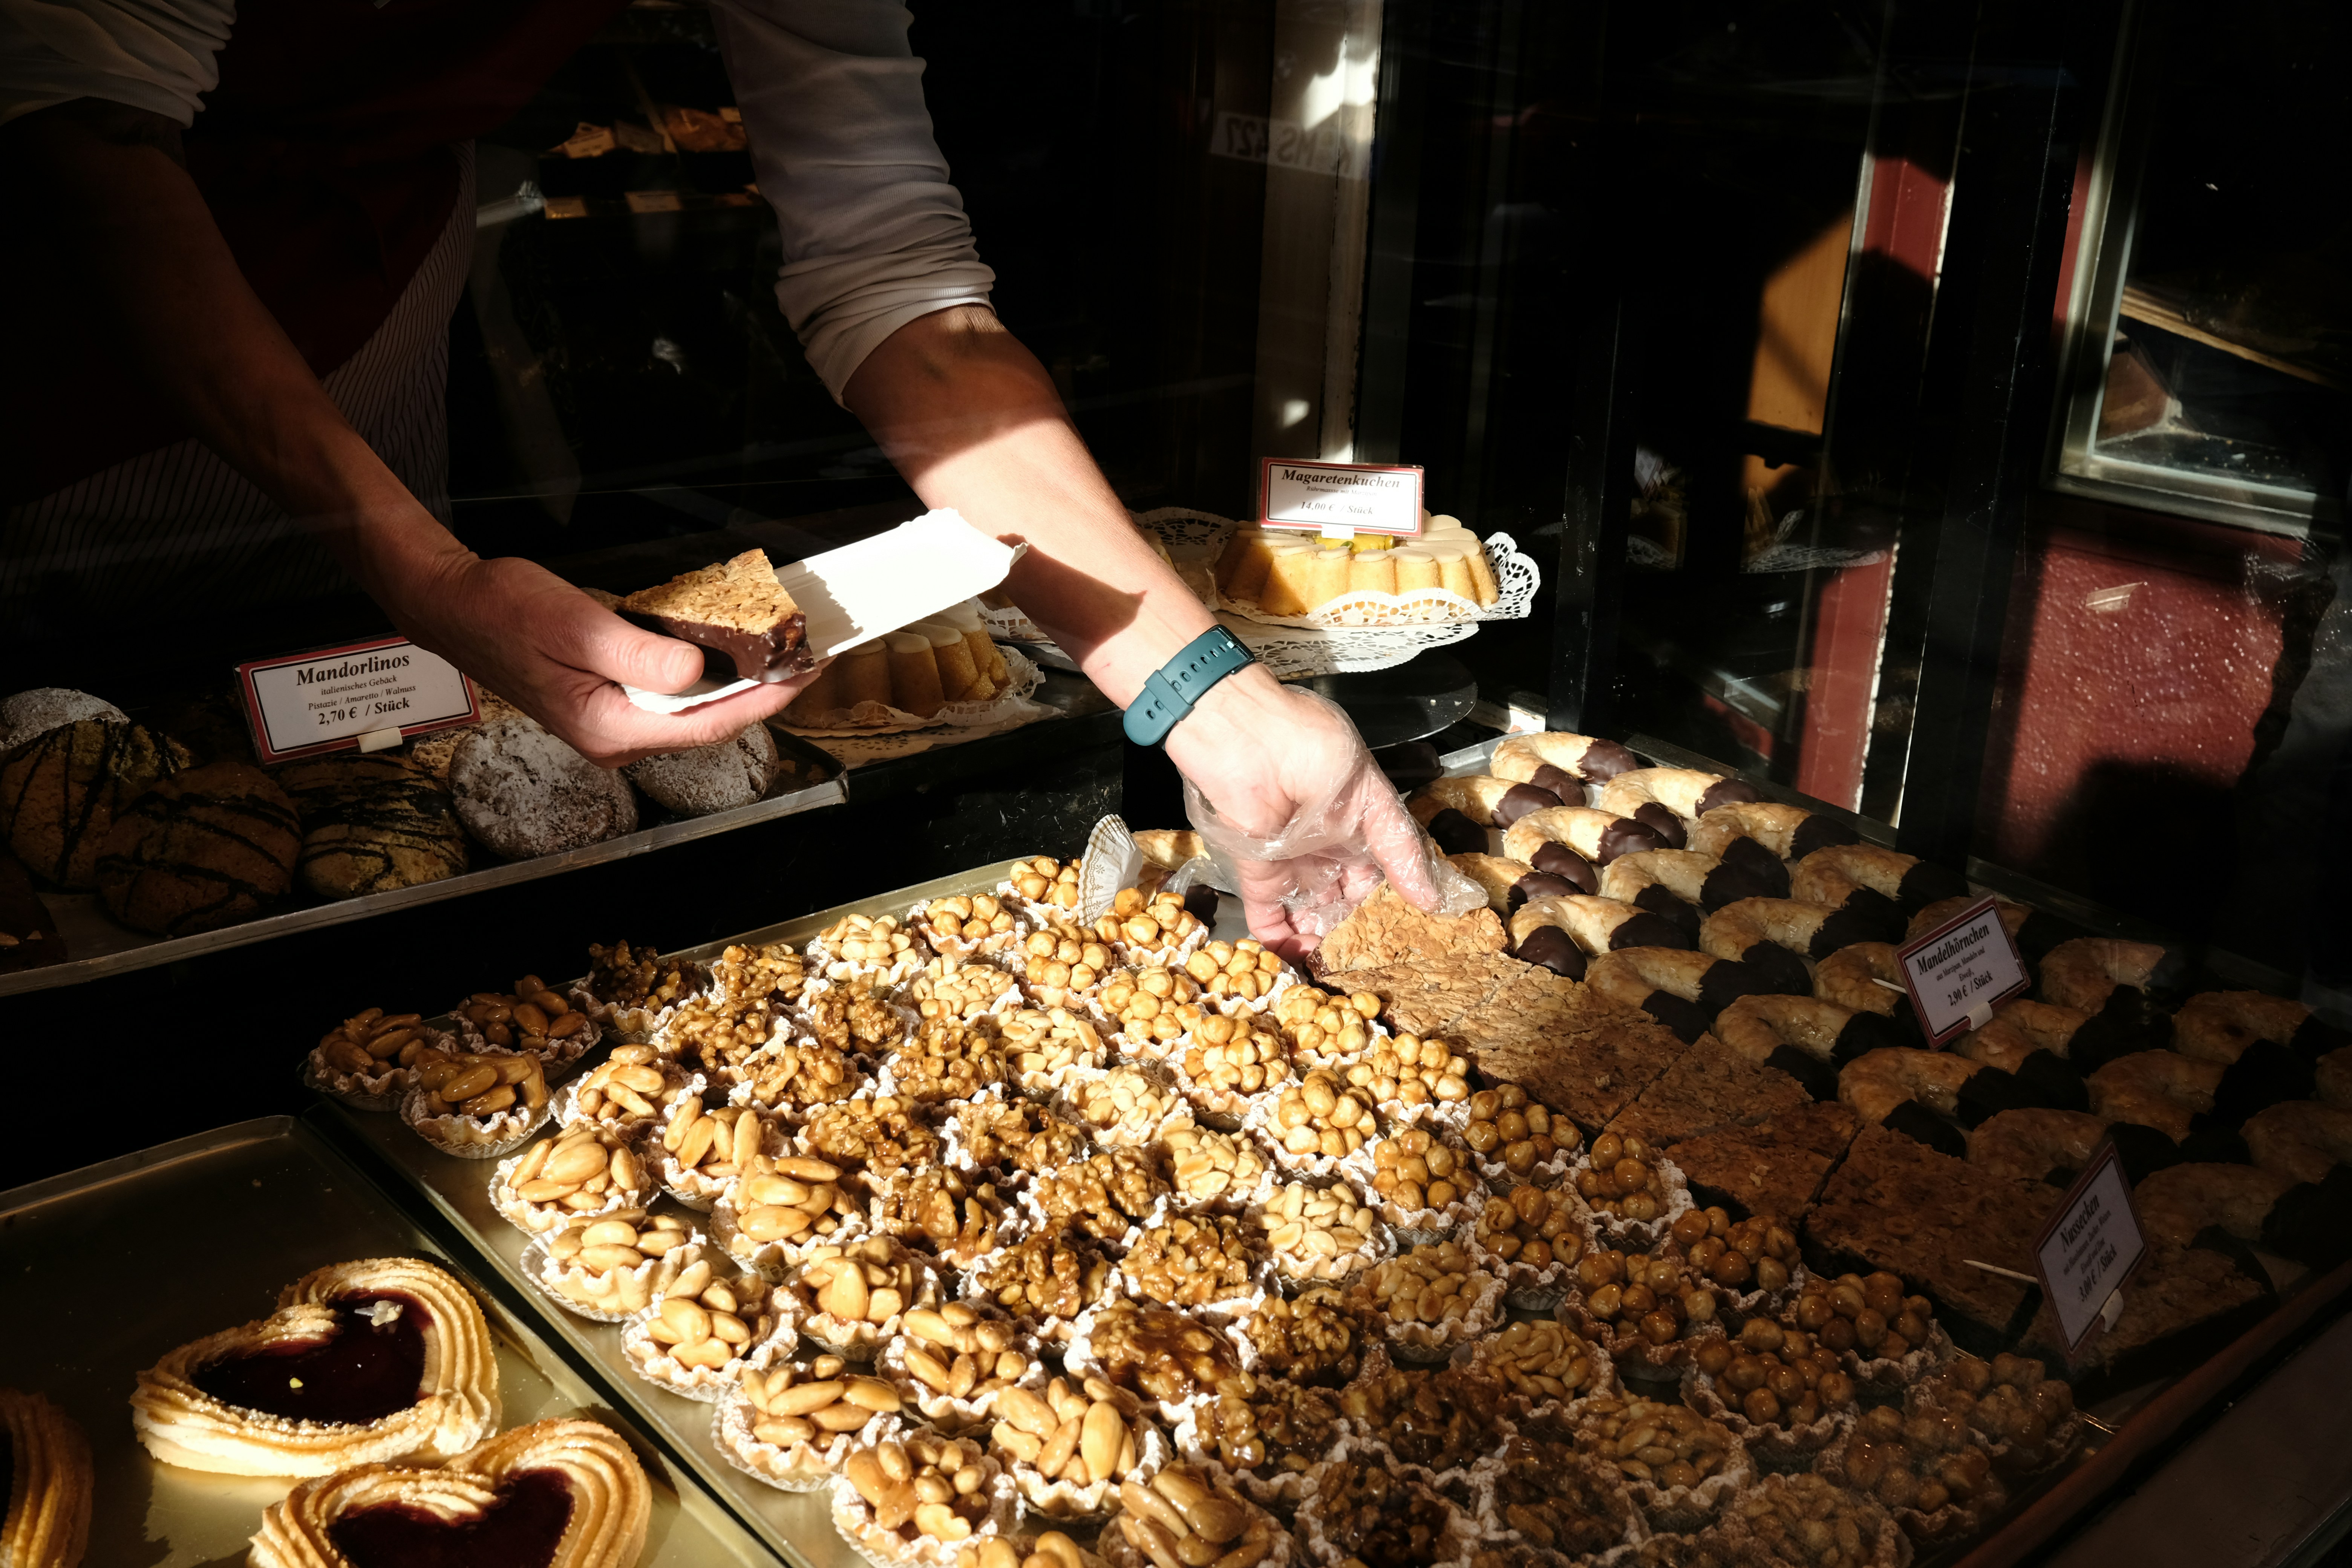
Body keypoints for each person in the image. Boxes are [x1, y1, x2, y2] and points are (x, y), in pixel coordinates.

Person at [0, 0, 1457, 952]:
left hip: (364, 329)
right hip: (72, 331)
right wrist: (427, 574)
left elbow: (904, 290)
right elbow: (85, 130)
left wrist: (1211, 697)